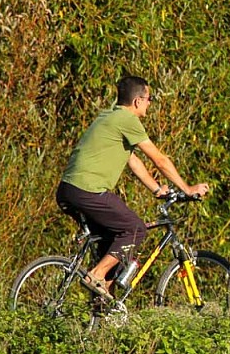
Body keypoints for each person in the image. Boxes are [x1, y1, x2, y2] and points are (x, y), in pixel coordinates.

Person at [56, 75, 209, 299]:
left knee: (112, 246)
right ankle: (97, 275)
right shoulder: (128, 120)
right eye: (149, 99)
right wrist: (187, 188)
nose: (150, 103)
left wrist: (157, 189)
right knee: (135, 229)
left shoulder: (109, 116)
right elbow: (160, 160)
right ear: (138, 101)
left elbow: (134, 162)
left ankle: (100, 313)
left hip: (68, 191)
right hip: (88, 190)